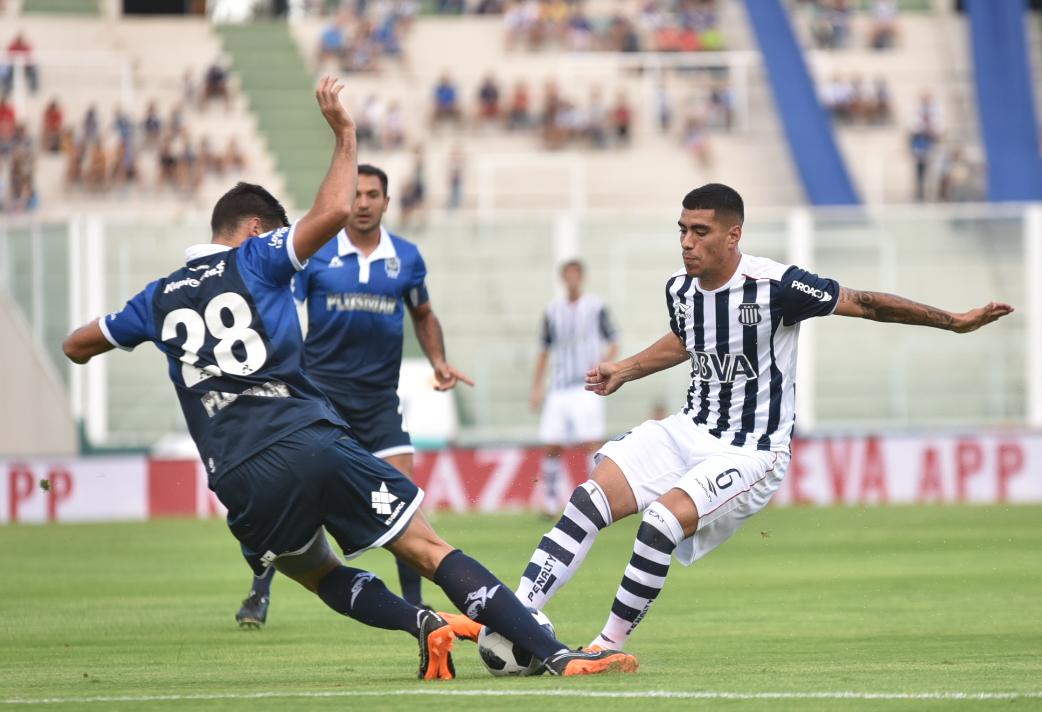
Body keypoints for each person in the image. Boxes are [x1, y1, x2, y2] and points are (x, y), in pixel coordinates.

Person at [62, 77, 635, 680]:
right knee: (426, 547)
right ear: (258, 229)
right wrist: (345, 131)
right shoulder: (257, 257)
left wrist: (125, 337)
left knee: (317, 573)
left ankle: (422, 623)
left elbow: (77, 345)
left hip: (237, 476)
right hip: (307, 436)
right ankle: (556, 656)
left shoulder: (154, 300)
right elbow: (333, 211)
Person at [515, 183, 1013, 651]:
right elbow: (690, 339)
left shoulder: (778, 286)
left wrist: (954, 322)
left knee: (661, 523)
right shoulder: (679, 289)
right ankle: (514, 618)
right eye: (682, 231)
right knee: (587, 500)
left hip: (752, 449)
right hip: (689, 428)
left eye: (700, 232)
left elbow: (863, 302)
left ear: (734, 235)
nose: (687, 243)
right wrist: (625, 369)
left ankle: (607, 647)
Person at [234, 162, 473, 626]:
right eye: (357, 194)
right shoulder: (317, 255)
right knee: (293, 502)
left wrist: (439, 360)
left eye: (372, 195)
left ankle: (417, 603)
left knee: (404, 501)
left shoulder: (407, 258)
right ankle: (258, 593)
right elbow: (283, 308)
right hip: (321, 397)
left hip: (380, 402)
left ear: (386, 202)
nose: (362, 203)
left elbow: (423, 315)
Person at [530, 260, 618, 516]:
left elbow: (614, 340)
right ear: (562, 279)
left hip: (586, 386)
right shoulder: (552, 311)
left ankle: (597, 499)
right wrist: (537, 386)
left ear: (582, 277)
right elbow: (544, 349)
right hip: (558, 387)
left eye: (575, 275)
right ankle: (549, 501)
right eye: (567, 276)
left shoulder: (596, 307)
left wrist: (605, 366)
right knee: (551, 444)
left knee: (591, 442)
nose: (571, 280)